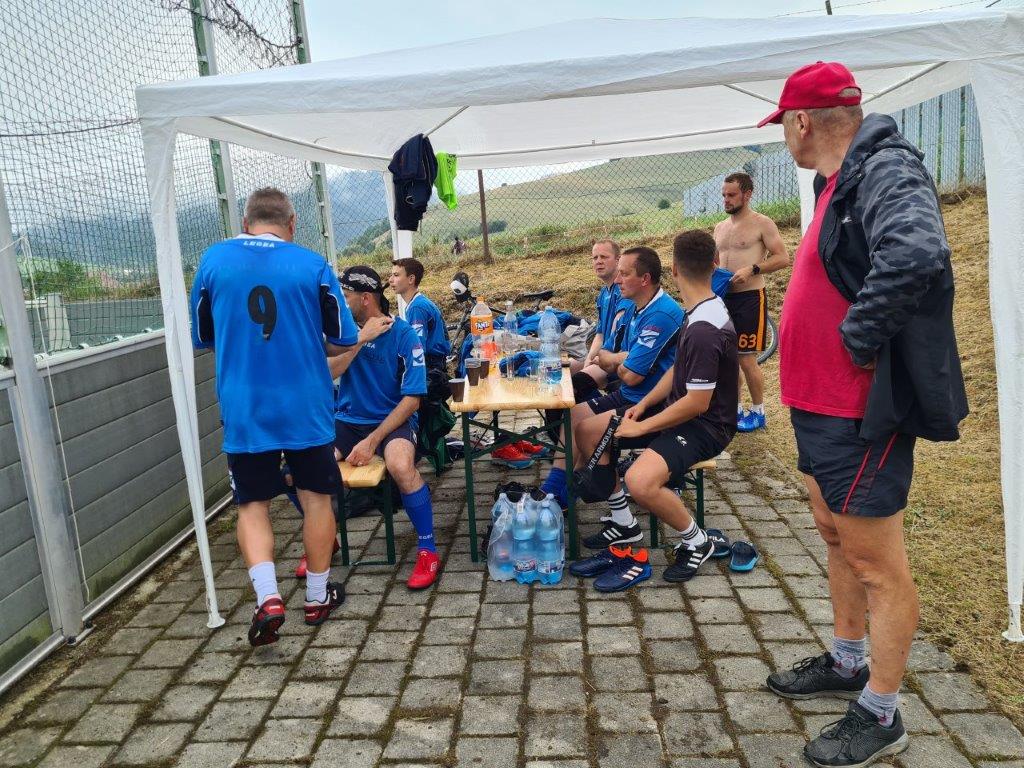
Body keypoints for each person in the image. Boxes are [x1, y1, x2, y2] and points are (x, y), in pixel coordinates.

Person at [758, 61, 967, 768]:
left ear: (801, 121)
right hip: (817, 403)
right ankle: (849, 660)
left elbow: (917, 251)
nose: (785, 135)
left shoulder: (884, 168)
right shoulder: (839, 181)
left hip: (855, 408)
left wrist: (855, 337)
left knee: (877, 564)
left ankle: (881, 712)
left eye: (783, 125)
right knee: (833, 534)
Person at [189, 187, 359, 646]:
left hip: (245, 406)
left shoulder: (212, 262)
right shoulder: (313, 265)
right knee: (317, 499)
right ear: (293, 223)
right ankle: (317, 597)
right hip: (306, 404)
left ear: (245, 223)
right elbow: (343, 337)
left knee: (252, 504)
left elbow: (203, 337)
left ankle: (268, 598)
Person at [574, 229, 738, 580]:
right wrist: (645, 404)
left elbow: (697, 403)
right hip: (676, 412)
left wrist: (643, 425)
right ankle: (624, 524)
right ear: (715, 264)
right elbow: (677, 368)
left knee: (639, 480)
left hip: (707, 426)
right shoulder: (700, 309)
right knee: (587, 430)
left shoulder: (705, 327)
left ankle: (696, 541)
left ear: (674, 270)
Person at [538, 246, 683, 533]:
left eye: (624, 274)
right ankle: (559, 487)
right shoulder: (635, 307)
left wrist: (617, 361)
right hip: (630, 394)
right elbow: (612, 356)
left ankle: (608, 512)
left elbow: (630, 375)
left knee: (588, 430)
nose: (618, 280)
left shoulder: (661, 315)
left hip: (653, 404)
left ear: (645, 279)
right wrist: (619, 360)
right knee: (572, 413)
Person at [331, 265, 442, 590]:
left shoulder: (404, 334)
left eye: (346, 295)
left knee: (400, 465)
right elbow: (326, 373)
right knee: (301, 471)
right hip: (348, 420)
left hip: (393, 421)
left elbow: (412, 400)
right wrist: (359, 340)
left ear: (366, 298)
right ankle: (324, 537)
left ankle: (427, 548)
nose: (340, 301)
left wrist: (372, 440)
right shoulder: (342, 333)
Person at [713, 172, 790, 432]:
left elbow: (782, 258)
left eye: (732, 195)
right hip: (723, 298)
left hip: (750, 298)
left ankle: (758, 412)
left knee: (746, 358)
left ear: (747, 194)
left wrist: (753, 269)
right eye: (724, 195)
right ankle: (734, 408)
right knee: (728, 358)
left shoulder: (762, 223)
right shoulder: (720, 227)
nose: (726, 199)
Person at [569, 239, 630, 400]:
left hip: (618, 357)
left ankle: (596, 408)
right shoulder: (604, 293)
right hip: (604, 354)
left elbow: (616, 335)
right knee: (560, 370)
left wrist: (596, 360)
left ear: (618, 260)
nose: (598, 261)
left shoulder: (624, 289)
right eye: (595, 258)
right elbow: (600, 334)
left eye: (604, 257)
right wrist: (589, 359)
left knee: (576, 383)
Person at [389, 257, 451, 368]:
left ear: (411, 279)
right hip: (435, 363)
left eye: (396, 275)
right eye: (391, 275)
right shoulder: (418, 303)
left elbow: (417, 348)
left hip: (430, 367)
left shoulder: (417, 307)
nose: (390, 280)